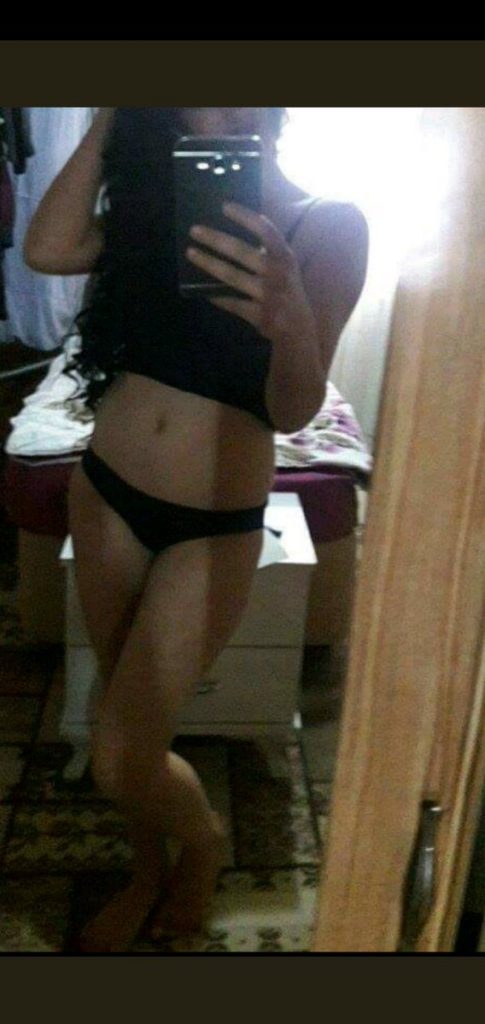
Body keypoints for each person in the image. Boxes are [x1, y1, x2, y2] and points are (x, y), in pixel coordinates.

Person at [24, 107, 368, 953]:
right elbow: (46, 250)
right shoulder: (151, 208)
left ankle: (205, 844)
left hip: (211, 523)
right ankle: (148, 872)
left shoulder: (327, 223)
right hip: (105, 492)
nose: (216, 104)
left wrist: (288, 318)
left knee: (120, 753)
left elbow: (292, 409)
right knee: (120, 715)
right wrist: (108, 118)